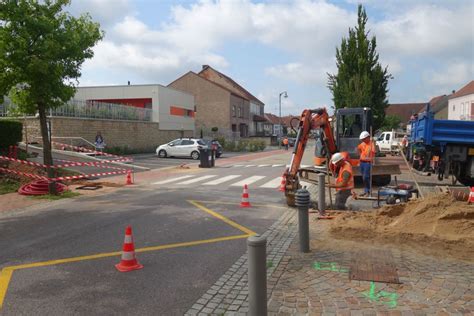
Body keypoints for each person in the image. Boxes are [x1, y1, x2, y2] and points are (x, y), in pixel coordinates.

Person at [357, 131, 375, 196]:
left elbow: (373, 152)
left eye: (364, 139)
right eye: (362, 139)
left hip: (368, 162)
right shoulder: (362, 144)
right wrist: (361, 157)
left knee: (366, 177)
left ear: (368, 137)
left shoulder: (371, 144)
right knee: (363, 177)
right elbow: (359, 149)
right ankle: (366, 190)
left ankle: (368, 191)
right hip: (362, 162)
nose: (363, 140)